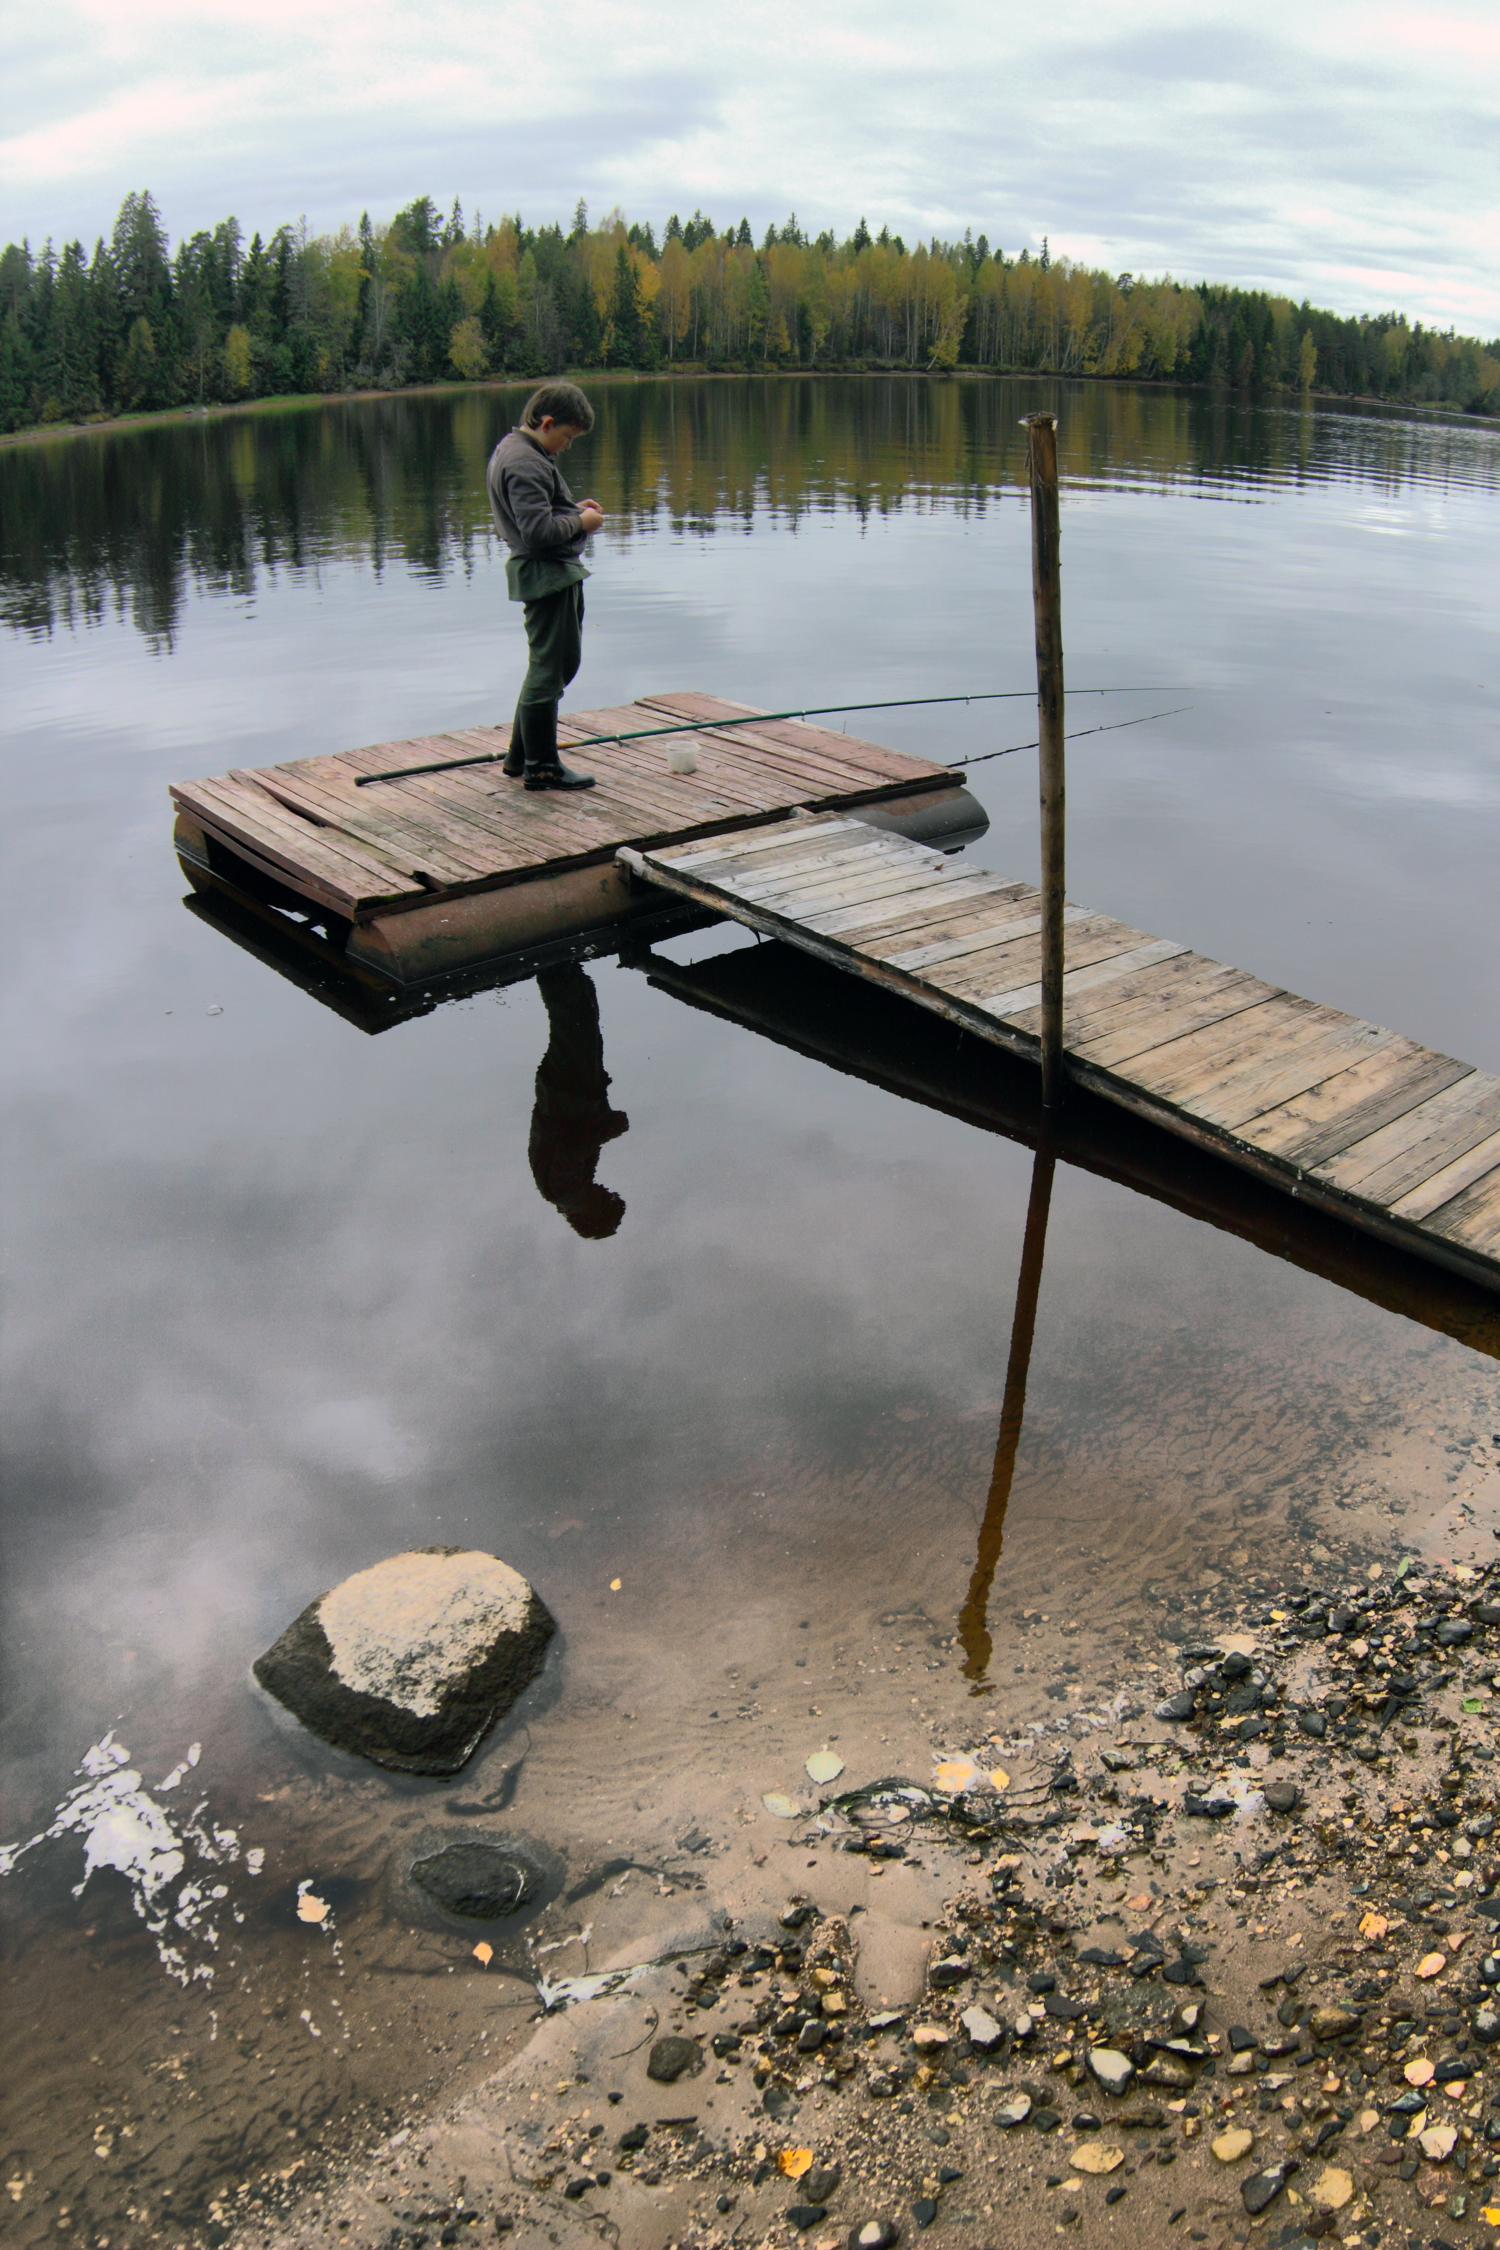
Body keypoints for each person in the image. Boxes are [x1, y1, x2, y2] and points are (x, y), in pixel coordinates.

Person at [486, 382, 604, 791]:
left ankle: (519, 757)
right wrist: (581, 523)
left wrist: (572, 510)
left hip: (549, 572)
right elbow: (536, 532)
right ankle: (542, 767)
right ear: (547, 422)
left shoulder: (515, 449)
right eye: (567, 436)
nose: (568, 445)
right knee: (549, 668)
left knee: (552, 665)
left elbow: (537, 514)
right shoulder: (526, 462)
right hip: (545, 572)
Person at [527, 964, 627, 1238]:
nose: (607, 1191)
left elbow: (573, 1146)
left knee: (574, 1023)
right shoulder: (568, 1192)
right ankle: (566, 970)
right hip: (567, 1093)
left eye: (607, 1199)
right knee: (582, 1022)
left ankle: (554, 966)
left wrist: (607, 1131)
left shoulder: (567, 1191)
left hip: (567, 1093)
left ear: (593, 1212)